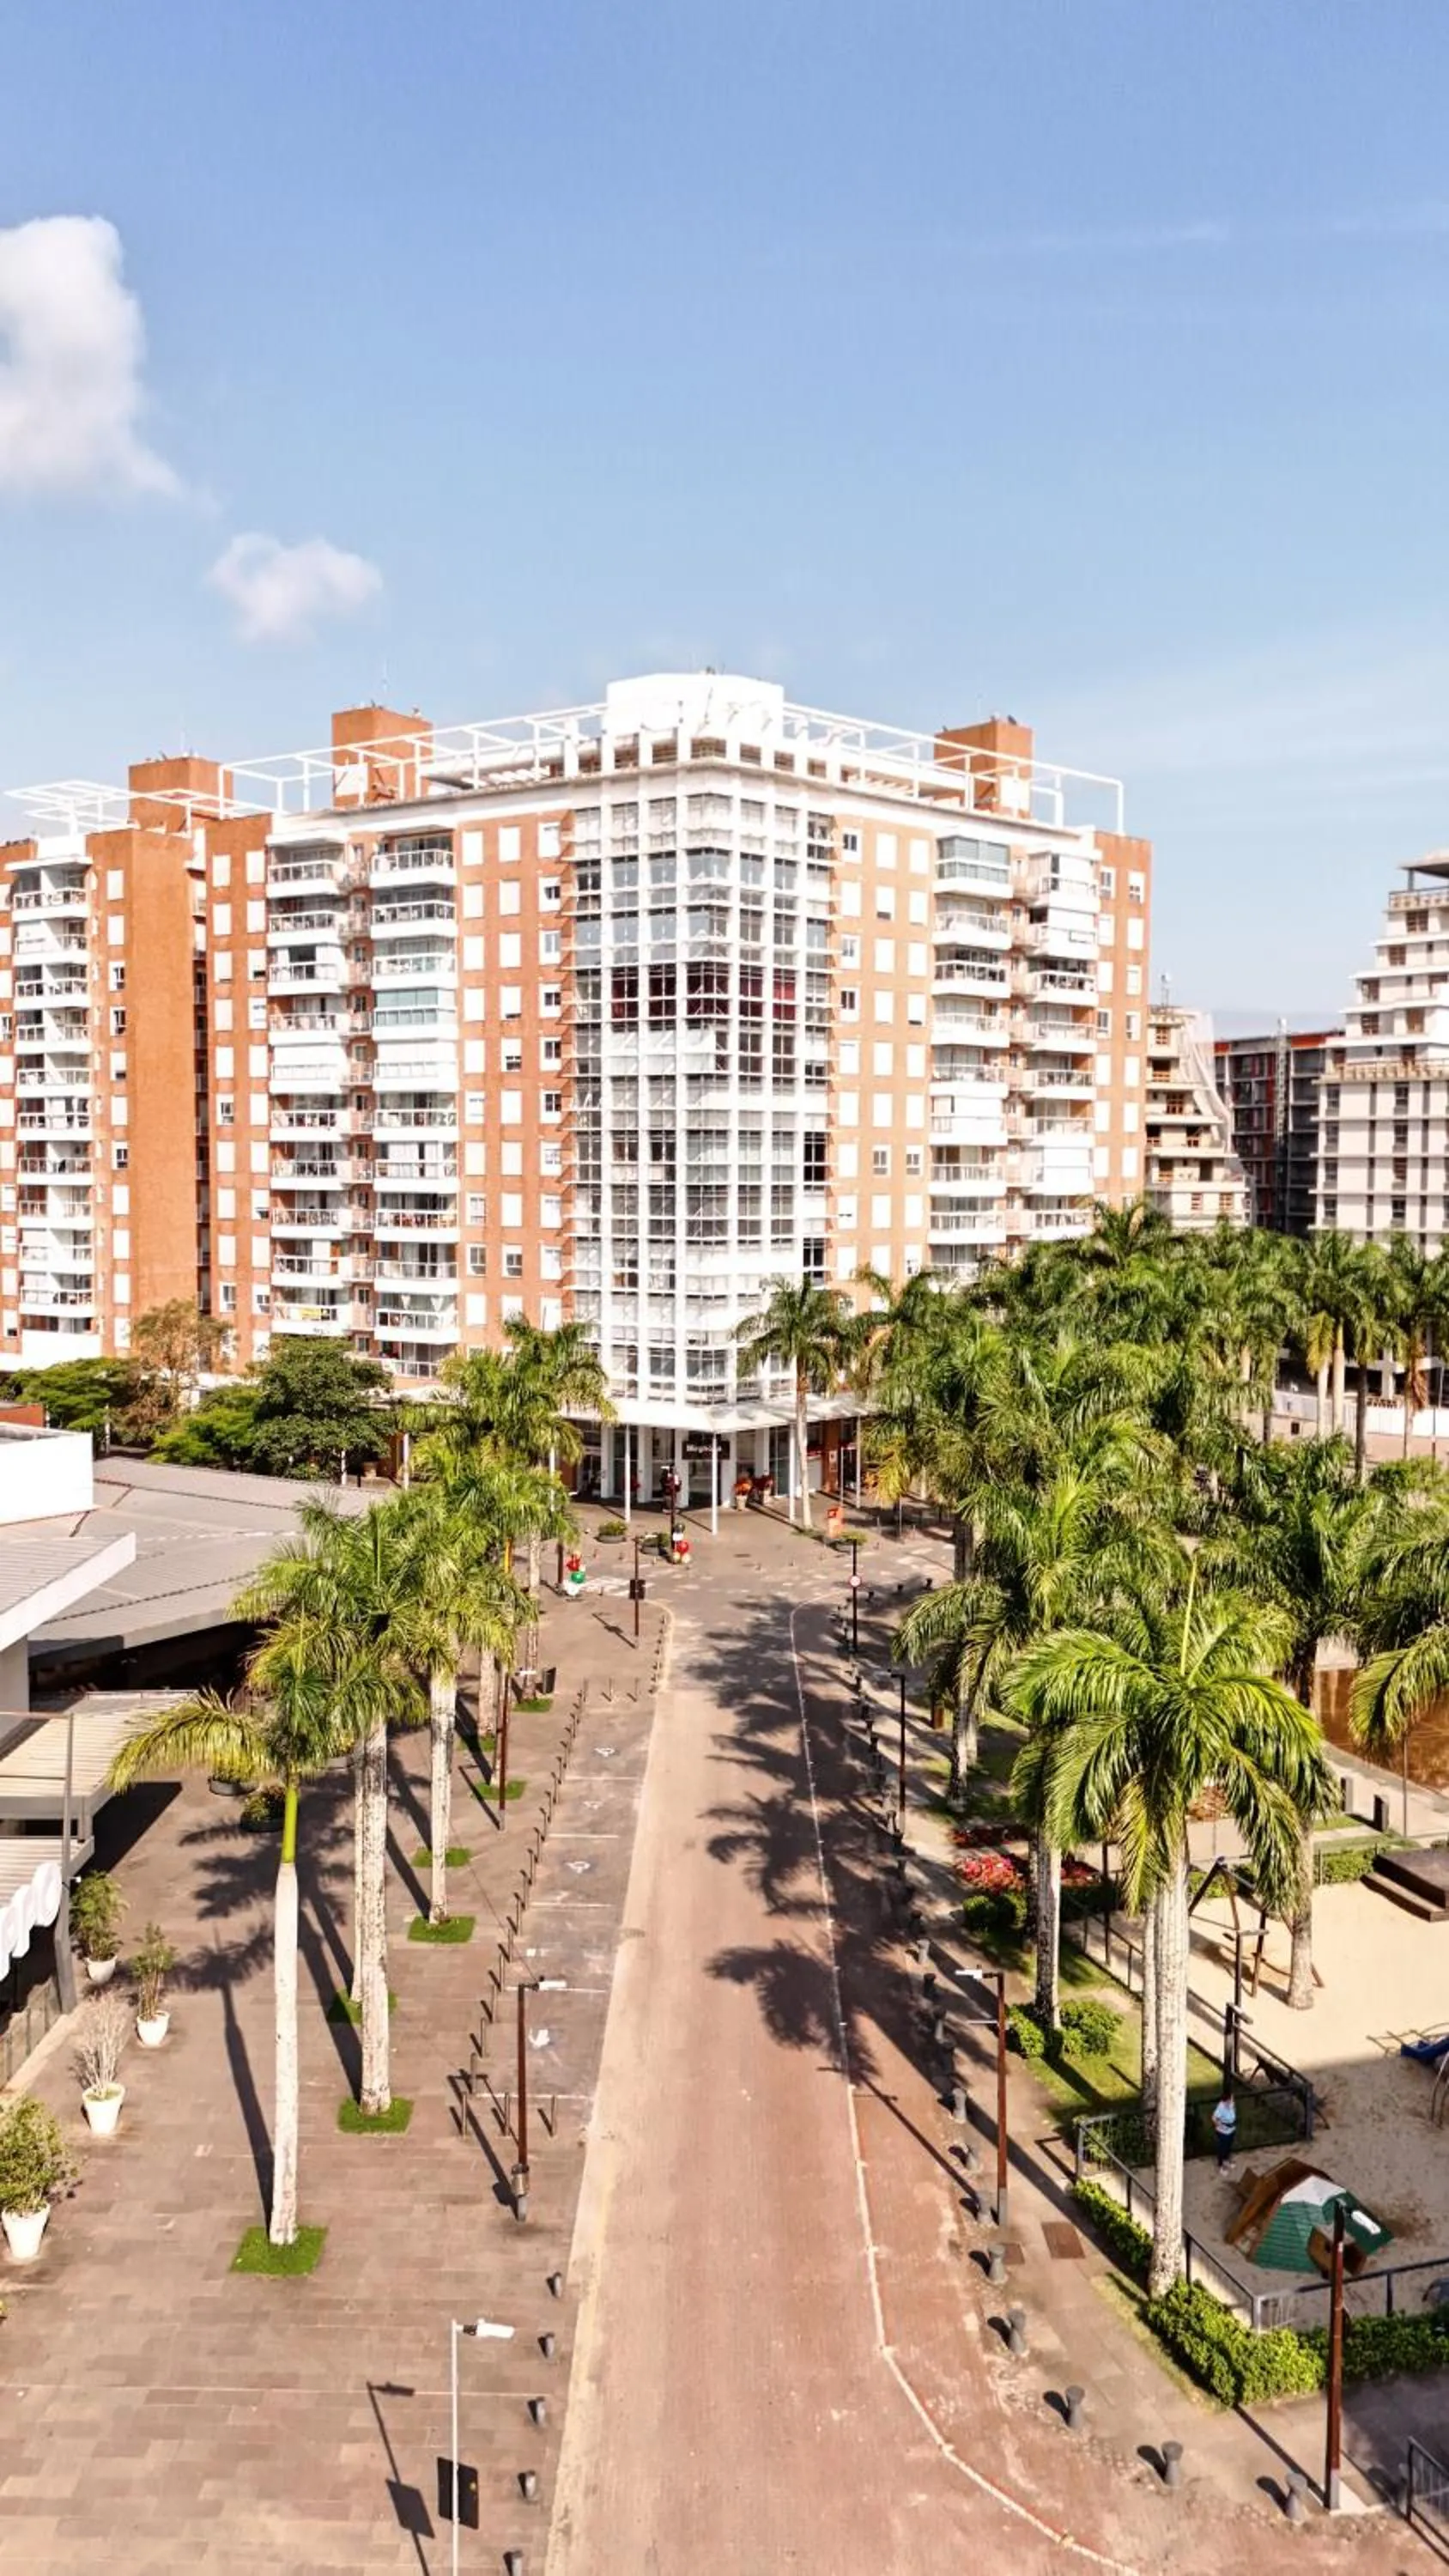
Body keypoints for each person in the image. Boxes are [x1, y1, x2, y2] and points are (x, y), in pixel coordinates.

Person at [1212, 2087, 1238, 2172]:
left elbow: (1233, 2111)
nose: (1233, 2099)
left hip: (1231, 2129)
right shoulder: (1221, 2106)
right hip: (1223, 2132)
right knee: (1222, 2148)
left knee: (1228, 2147)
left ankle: (1226, 2161)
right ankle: (1221, 2166)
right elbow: (1214, 2118)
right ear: (1227, 2099)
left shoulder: (1232, 2104)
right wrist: (1221, 2126)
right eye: (1231, 2098)